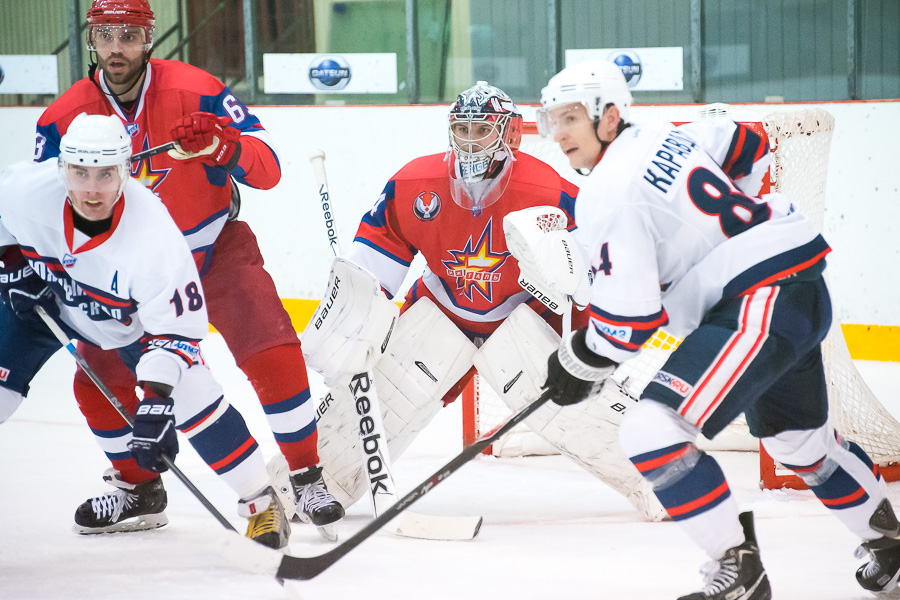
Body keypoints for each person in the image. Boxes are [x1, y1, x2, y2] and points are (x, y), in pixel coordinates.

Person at [538, 59, 898, 599]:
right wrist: (719, 233)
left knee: (650, 430)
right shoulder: (667, 135)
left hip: (758, 301)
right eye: (551, 120)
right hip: (795, 285)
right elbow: (747, 144)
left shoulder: (608, 193)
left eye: (570, 118)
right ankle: (889, 545)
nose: (558, 133)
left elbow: (627, 327)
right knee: (798, 443)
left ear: (608, 117)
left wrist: (578, 359)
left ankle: (738, 574)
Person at [31, 0, 343, 537]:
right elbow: (38, 204)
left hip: (212, 249)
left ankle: (305, 475)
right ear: (91, 39)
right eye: (105, 34)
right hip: (121, 277)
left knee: (272, 348)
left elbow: (267, 168)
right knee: (96, 376)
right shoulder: (62, 116)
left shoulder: (196, 87)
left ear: (148, 38)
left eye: (129, 34)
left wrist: (224, 146)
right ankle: (138, 490)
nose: (116, 47)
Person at [296, 81, 665, 522]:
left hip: (518, 318)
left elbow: (590, 276)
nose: (470, 140)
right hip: (442, 311)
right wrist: (356, 313)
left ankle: (662, 481)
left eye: (481, 130)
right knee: (383, 397)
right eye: (463, 129)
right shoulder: (416, 182)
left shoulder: (548, 192)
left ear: (509, 134)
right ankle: (306, 488)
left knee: (579, 412)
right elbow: (378, 254)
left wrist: (588, 348)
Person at [0, 113, 291, 549]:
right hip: (49, 302)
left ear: (126, 172)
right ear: (62, 170)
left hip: (129, 325)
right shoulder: (26, 190)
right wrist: (10, 261)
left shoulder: (155, 237)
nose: (92, 189)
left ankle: (260, 504)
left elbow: (177, 332)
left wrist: (156, 399)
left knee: (195, 398)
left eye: (105, 174)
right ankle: (139, 492)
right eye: (80, 172)